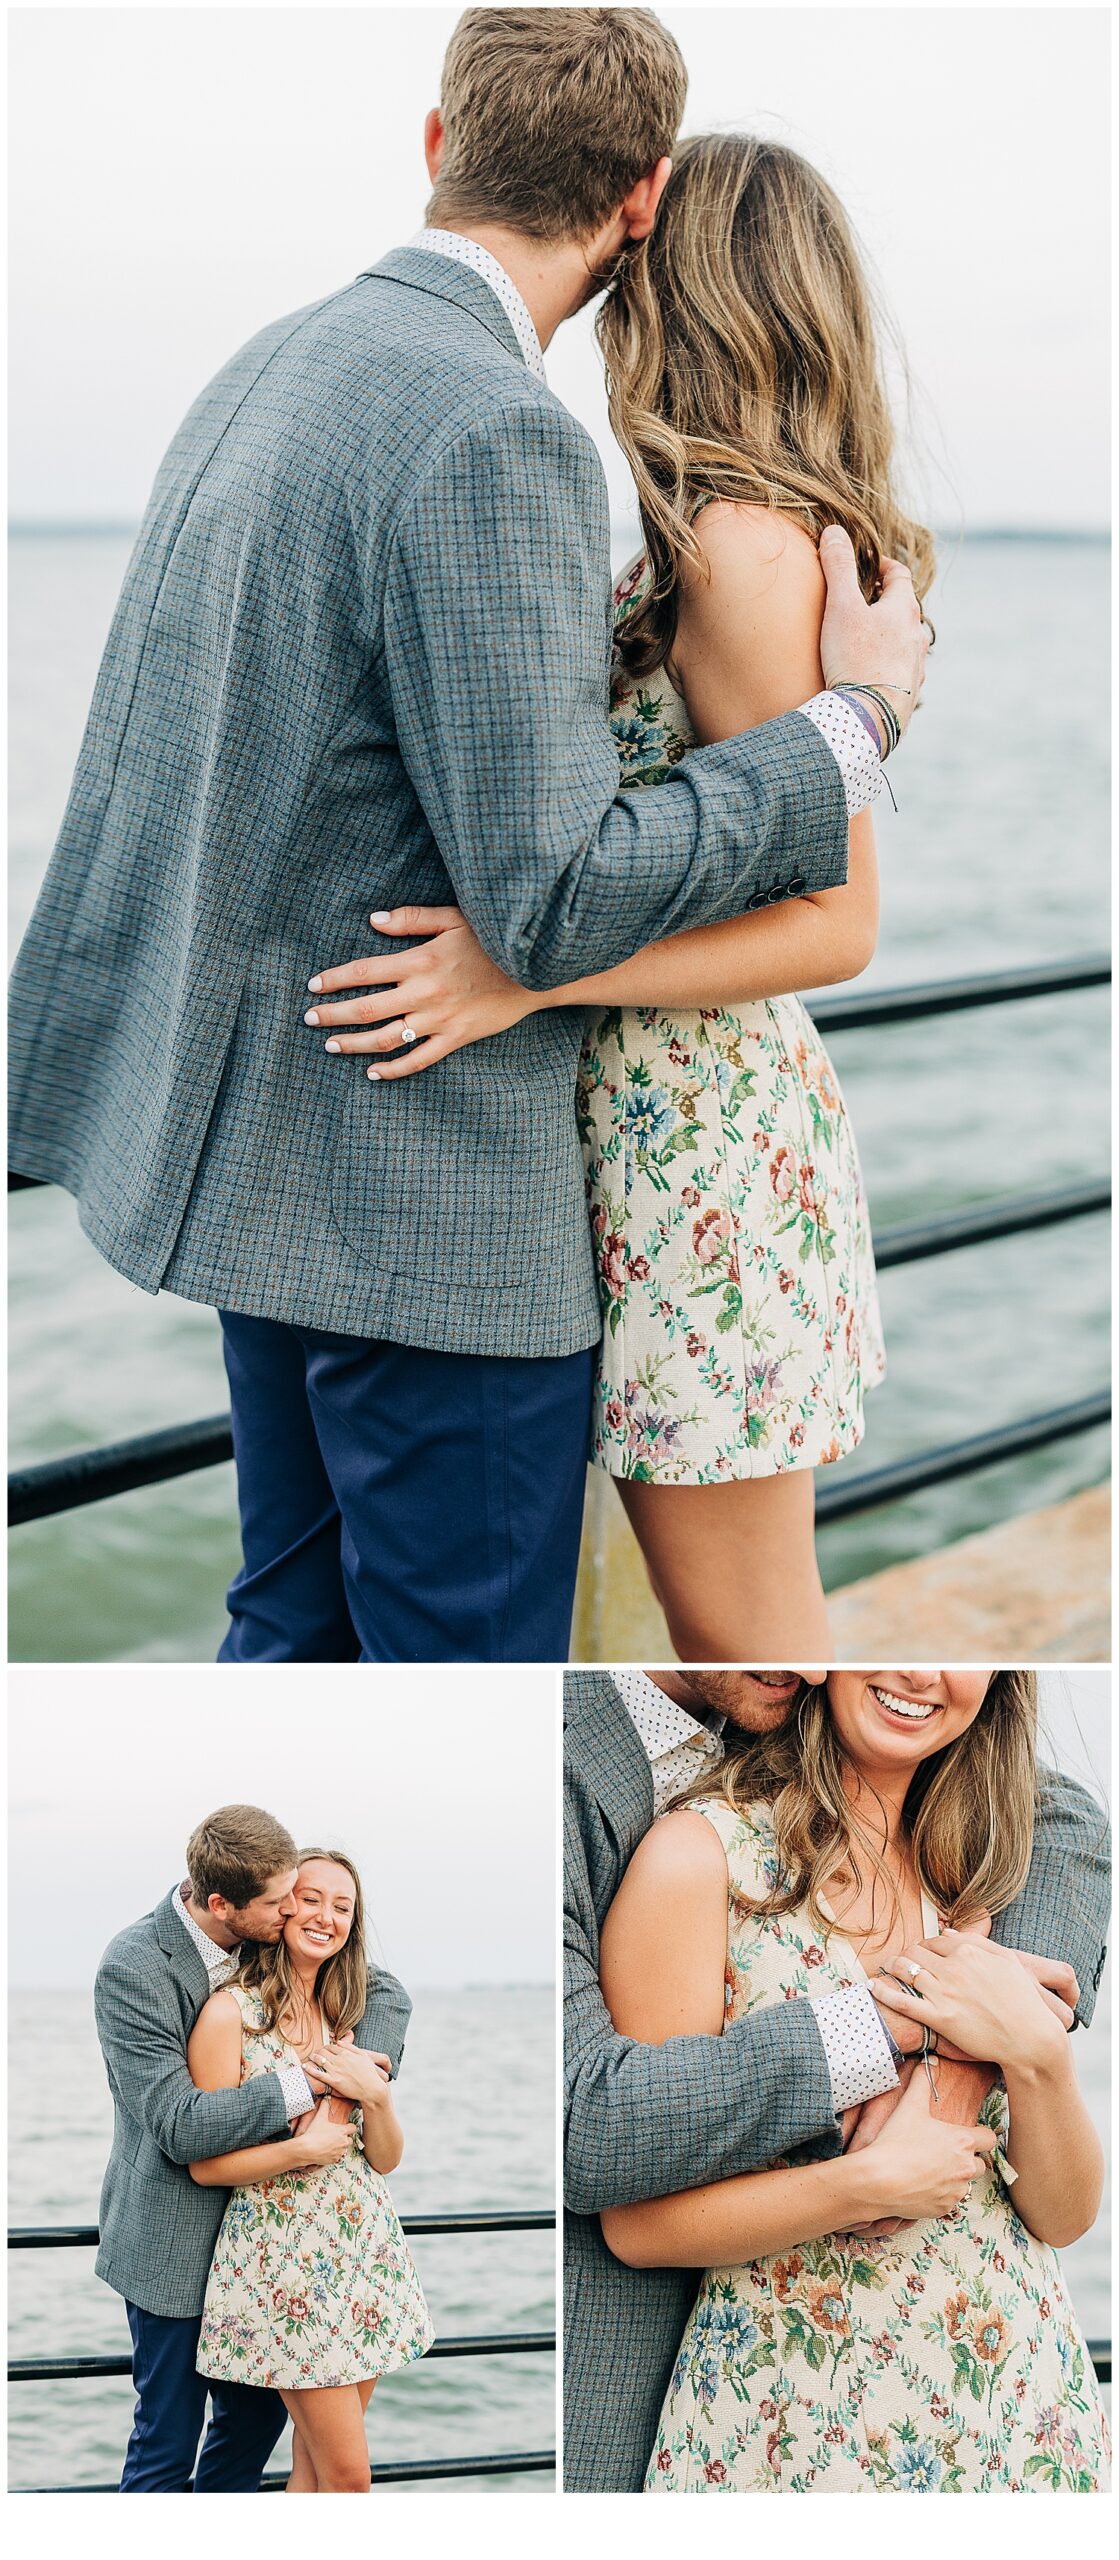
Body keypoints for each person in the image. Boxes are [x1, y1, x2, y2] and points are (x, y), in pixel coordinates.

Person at [7, 9, 927, 1666]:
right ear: (638, 197)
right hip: (417, 1204)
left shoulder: (269, 365)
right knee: (456, 1663)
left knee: (295, 1629)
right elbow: (548, 894)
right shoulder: (490, 426)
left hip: (290, 1164)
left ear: (438, 143)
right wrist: (850, 728)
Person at [314, 133, 928, 1659]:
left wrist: (527, 971)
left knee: (744, 1641)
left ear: (677, 289)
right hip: (658, 1142)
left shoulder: (739, 546)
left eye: (628, 268)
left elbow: (836, 924)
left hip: (700, 1160)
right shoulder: (701, 528)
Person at [562, 1668, 1110, 2494]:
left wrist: (1034, 2056)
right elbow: (638, 2227)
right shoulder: (699, 1855)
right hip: (790, 2415)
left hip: (1018, 2408)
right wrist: (860, 2187)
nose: (919, 1671)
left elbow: (1061, 2218)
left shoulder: (990, 1875)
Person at [93, 1804, 412, 2493]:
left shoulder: (264, 1938)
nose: (294, 1910)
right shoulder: (136, 1965)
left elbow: (380, 1988)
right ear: (223, 1905)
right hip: (179, 2241)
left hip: (284, 2256)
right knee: (167, 2443)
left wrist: (365, 2077)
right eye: (282, 1901)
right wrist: (315, 2080)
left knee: (249, 2438)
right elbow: (179, 2126)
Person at [188, 1850, 432, 2493]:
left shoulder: (349, 2015)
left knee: (317, 2470)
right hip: (285, 2264)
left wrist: (376, 2099)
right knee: (351, 2479)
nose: (326, 1916)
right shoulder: (229, 2014)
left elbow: (384, 2159)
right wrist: (301, 2151)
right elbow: (206, 2165)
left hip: (364, 2252)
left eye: (343, 1907)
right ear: (282, 1905)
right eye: (312, 1898)